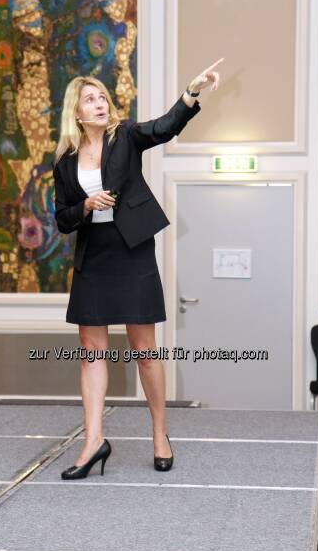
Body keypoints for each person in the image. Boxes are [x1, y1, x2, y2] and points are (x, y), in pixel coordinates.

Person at [53, 58, 223, 480]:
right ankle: (93, 441)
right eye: (90, 99)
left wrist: (191, 91)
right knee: (91, 352)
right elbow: (62, 219)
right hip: (94, 257)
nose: (100, 104)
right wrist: (86, 205)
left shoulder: (126, 136)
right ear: (76, 112)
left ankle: (160, 433)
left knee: (145, 350)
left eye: (102, 98)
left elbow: (164, 127)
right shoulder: (64, 162)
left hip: (132, 251)